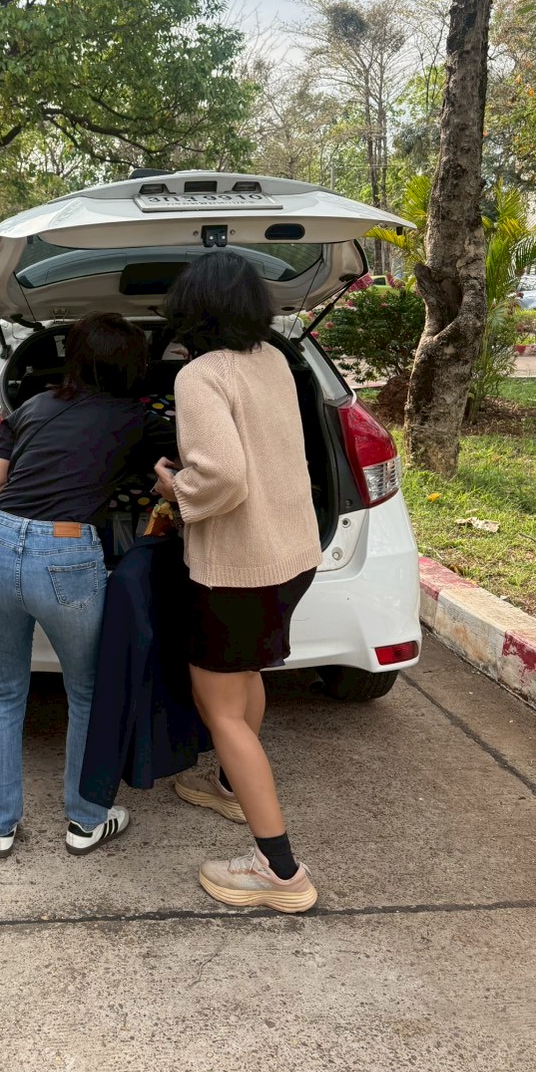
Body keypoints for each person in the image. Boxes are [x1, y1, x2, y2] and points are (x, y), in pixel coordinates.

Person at [0, 312, 175, 860]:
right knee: (86, 691)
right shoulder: (135, 419)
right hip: (66, 554)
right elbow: (184, 468)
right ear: (133, 367)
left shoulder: (32, 407)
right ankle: (85, 820)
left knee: (1, 688)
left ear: (74, 359)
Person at [153, 253, 321, 913]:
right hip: (292, 555)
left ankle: (279, 870)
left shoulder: (199, 374)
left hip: (237, 568)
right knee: (246, 672)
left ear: (191, 310)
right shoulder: (274, 358)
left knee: (220, 707)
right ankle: (229, 786)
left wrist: (174, 486)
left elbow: (222, 475)